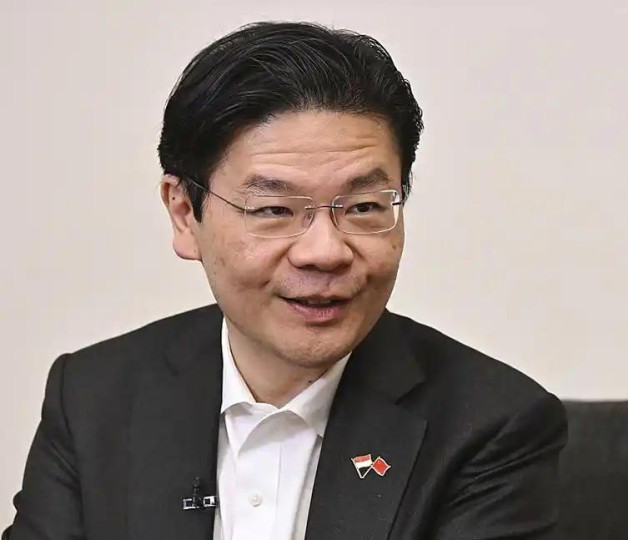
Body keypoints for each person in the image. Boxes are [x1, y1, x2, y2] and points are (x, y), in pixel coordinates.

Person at [3, 22, 567, 540]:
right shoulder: (94, 398)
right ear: (184, 214)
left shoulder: (490, 426)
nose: (325, 252)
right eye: (274, 209)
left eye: (364, 206)